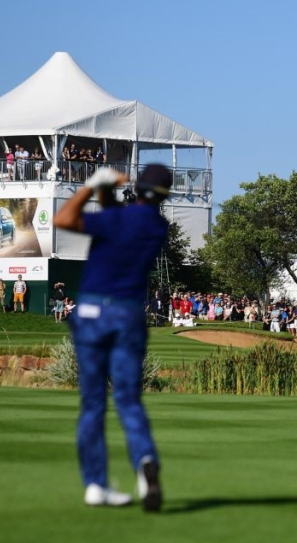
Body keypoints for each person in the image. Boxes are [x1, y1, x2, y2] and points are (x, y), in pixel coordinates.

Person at [53, 164, 172, 511]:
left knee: (93, 403)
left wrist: (93, 185)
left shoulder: (116, 219)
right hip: (128, 314)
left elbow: (64, 219)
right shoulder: (156, 227)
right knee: (128, 400)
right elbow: (117, 219)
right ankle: (145, 459)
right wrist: (106, 193)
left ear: (137, 186)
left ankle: (95, 484)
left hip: (91, 312)